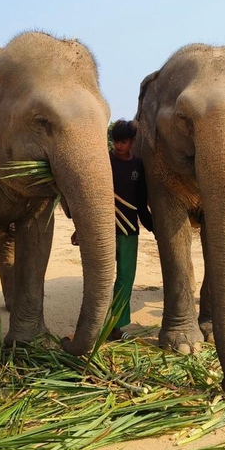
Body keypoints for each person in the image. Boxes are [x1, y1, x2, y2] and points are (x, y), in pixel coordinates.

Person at [71, 119, 153, 340]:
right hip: (102, 229)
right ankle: (92, 322)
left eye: (123, 142)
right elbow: (88, 198)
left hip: (128, 231)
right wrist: (80, 228)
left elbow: (140, 201)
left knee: (126, 279)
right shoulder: (103, 161)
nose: (118, 146)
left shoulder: (138, 166)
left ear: (132, 142)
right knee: (99, 278)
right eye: (116, 141)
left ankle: (116, 325)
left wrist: (152, 226)